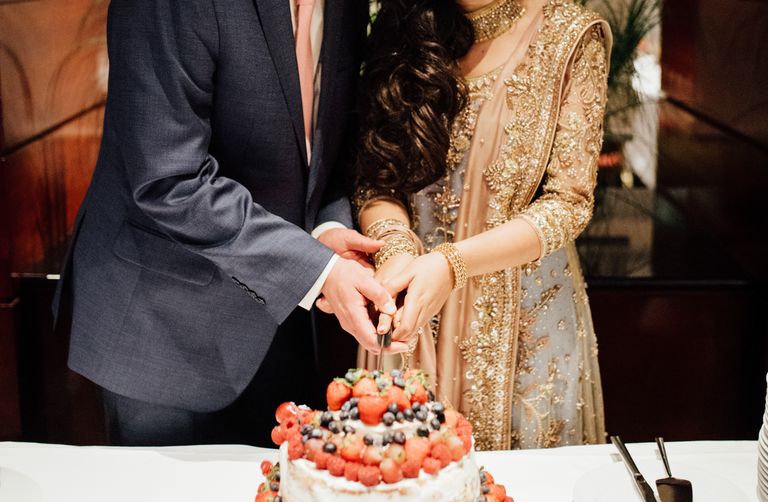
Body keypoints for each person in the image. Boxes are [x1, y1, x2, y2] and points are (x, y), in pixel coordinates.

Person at [53, 0, 403, 447]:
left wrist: (327, 233)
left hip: (281, 315)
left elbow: (325, 146)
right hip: (165, 324)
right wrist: (318, 269)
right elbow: (169, 180)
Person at [353, 0, 611, 451]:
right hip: (411, 310)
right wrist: (394, 247)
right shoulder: (403, 27)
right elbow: (376, 180)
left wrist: (452, 264)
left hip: (526, 327)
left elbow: (568, 202)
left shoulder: (570, 34)